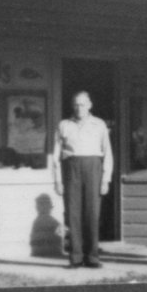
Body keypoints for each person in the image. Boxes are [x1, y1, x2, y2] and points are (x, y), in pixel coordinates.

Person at [52, 91, 114, 268]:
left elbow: (107, 153)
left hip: (93, 168)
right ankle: (76, 257)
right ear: (73, 106)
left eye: (83, 104)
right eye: (76, 104)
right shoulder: (64, 125)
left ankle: (92, 257)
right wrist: (58, 181)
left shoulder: (99, 124)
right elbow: (56, 155)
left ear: (90, 105)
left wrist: (106, 179)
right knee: (73, 213)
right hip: (71, 168)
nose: (79, 108)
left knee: (92, 213)